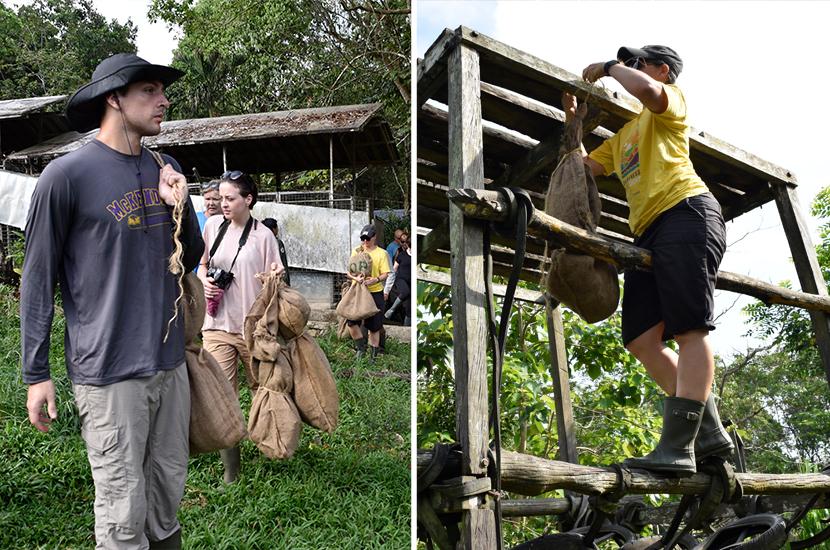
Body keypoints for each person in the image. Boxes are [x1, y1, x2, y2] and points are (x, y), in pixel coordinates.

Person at [20, 53, 204, 549]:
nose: (163, 100)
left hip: (169, 365)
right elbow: (37, 279)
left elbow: (191, 259)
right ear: (114, 99)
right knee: (123, 513)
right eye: (149, 90)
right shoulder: (66, 176)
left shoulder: (167, 167)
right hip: (108, 370)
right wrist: (36, 374)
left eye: (162, 91)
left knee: (166, 500)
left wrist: (180, 203)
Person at [566, 45, 732, 475]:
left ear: (663, 70)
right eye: (629, 63)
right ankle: (709, 432)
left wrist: (608, 68)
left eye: (639, 62)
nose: (632, 69)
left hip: (687, 212)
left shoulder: (669, 102)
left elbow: (649, 92)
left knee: (688, 328)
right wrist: (573, 126)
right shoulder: (624, 137)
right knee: (640, 337)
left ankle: (677, 448)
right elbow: (586, 168)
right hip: (649, 234)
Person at [198, 170, 282, 484]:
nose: (224, 204)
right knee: (222, 396)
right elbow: (203, 263)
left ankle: (270, 444)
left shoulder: (264, 236)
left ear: (248, 200)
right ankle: (231, 474)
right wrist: (204, 279)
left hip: (253, 330)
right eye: (220, 199)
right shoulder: (211, 227)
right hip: (216, 326)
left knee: (263, 391)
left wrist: (272, 279)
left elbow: (276, 280)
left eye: (230, 198)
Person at [347, 224, 390, 360]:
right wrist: (356, 278)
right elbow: (349, 271)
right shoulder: (357, 251)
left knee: (374, 326)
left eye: (368, 238)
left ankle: (373, 356)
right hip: (358, 292)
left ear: (374, 237)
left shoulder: (382, 253)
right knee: (351, 322)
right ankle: (360, 349)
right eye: (363, 239)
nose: (365, 241)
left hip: (375, 292)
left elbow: (385, 274)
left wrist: (375, 280)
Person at [384, 231, 411, 326]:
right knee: (405, 293)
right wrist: (388, 286)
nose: (404, 243)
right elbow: (391, 268)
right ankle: (391, 311)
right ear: (397, 239)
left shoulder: (405, 251)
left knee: (408, 307)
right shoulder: (395, 250)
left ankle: (405, 328)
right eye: (402, 241)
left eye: (405, 240)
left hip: (408, 282)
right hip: (397, 281)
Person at [261, 217, 290, 286]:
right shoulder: (277, 243)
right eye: (277, 228)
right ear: (274, 229)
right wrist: (287, 282)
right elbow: (283, 262)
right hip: (277, 279)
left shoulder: (260, 242)